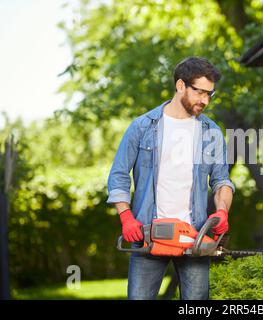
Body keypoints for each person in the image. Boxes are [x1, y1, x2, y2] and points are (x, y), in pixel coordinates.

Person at [106, 56, 235, 300]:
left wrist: (222, 210)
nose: (205, 100)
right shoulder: (142, 127)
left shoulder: (211, 132)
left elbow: (222, 182)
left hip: (194, 237)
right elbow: (119, 176)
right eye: (200, 92)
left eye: (210, 94)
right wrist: (126, 217)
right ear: (180, 86)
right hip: (147, 235)